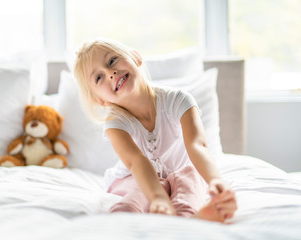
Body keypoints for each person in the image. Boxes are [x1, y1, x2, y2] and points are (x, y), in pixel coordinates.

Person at [73, 39, 237, 222]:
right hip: (133, 176)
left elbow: (197, 145)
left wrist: (215, 180)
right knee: (140, 192)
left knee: (189, 177)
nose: (110, 73)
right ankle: (123, 222)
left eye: (112, 61)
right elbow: (136, 162)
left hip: (180, 170)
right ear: (100, 100)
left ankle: (190, 220)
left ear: (135, 57)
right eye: (98, 77)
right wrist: (158, 197)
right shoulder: (115, 124)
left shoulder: (179, 100)